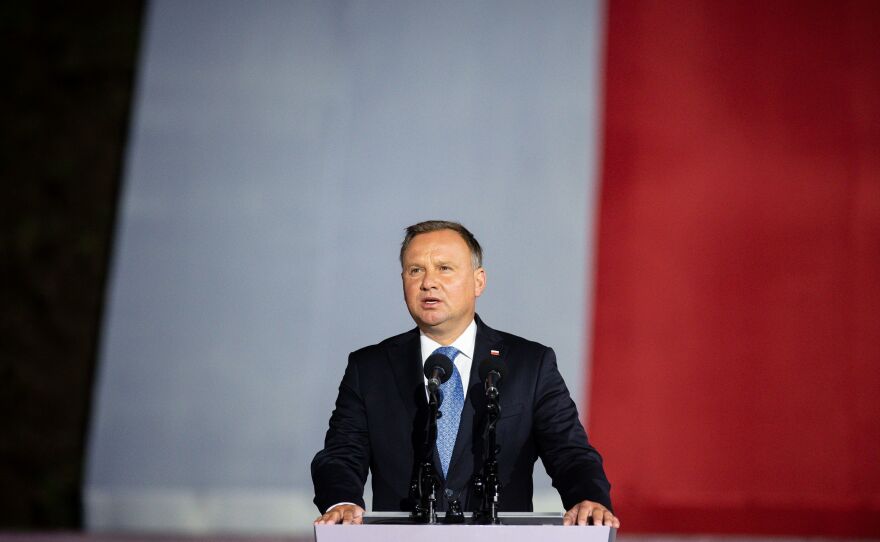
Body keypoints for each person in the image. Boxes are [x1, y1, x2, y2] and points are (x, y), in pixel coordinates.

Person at [312, 220, 618, 527]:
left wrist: (586, 498)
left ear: (478, 281)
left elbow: (569, 452)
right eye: (415, 270)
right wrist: (343, 501)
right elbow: (342, 454)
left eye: (444, 268)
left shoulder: (530, 364)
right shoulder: (370, 368)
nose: (428, 282)